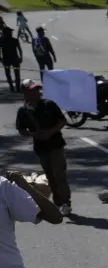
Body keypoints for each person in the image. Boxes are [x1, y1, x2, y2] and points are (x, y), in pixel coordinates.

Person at [15, 80, 70, 216]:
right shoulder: (23, 111)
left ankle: (65, 203)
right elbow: (21, 129)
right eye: (32, 90)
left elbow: (62, 121)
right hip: (40, 147)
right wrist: (33, 134)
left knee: (59, 174)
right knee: (50, 176)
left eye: (37, 89)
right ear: (25, 92)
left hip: (56, 144)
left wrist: (50, 132)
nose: (36, 92)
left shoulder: (49, 105)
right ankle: (58, 203)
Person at [1, 29, 21, 94]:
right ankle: (17, 88)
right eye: (10, 32)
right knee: (16, 74)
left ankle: (12, 87)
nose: (11, 33)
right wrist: (21, 57)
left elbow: (19, 49)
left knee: (8, 74)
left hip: (7, 60)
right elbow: (20, 49)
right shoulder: (14, 40)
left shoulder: (2, 40)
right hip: (14, 59)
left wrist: (1, 59)